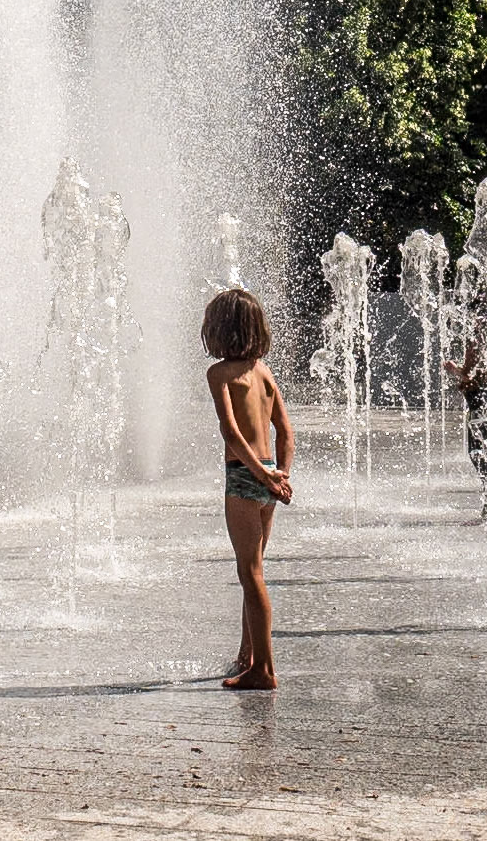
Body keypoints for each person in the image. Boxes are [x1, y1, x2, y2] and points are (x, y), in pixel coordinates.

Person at [203, 286, 294, 690]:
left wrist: (258, 474)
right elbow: (286, 433)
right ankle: (247, 655)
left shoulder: (220, 373)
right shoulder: (264, 372)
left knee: (250, 572)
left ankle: (265, 670)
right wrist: (279, 476)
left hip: (244, 475)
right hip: (269, 475)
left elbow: (230, 431)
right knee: (255, 567)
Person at [444, 326, 487, 519]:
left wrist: (454, 370)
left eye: (471, 348)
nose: (468, 351)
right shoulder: (485, 362)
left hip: (480, 419)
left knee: (481, 459)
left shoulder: (477, 360)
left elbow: (469, 383)